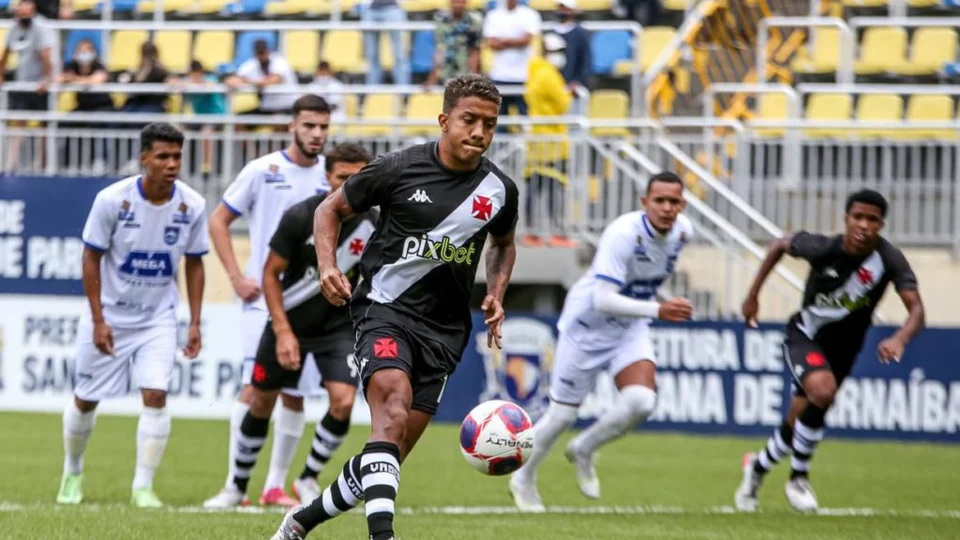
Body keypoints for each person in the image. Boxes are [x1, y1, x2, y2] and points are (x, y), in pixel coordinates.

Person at [271, 73, 519, 540]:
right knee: (393, 408)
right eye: (470, 120)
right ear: (444, 120)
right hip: (384, 310)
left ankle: (299, 523)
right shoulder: (398, 168)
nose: (480, 133)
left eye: (490, 124)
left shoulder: (501, 191)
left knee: (387, 454)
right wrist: (328, 266)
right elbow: (329, 210)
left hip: (445, 331)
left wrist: (497, 291)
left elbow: (503, 246)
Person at [508, 171, 695, 511]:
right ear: (645, 203)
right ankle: (523, 477)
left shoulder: (684, 232)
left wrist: (652, 308)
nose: (667, 208)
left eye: (675, 201)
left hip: (628, 328)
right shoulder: (623, 234)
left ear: (683, 204)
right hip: (586, 327)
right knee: (561, 416)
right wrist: (659, 308)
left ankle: (584, 447)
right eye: (660, 200)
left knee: (641, 401)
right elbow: (602, 299)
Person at [734, 189, 925, 513]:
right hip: (806, 335)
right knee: (823, 392)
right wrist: (753, 295)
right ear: (847, 219)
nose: (864, 225)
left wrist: (900, 339)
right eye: (858, 217)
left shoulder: (888, 259)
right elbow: (780, 244)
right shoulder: (823, 248)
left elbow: (917, 310)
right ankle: (798, 478)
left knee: (797, 421)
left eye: (872, 220)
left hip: (846, 348)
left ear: (881, 224)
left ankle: (757, 469)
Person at [214, 143, 377, 509]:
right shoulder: (301, 215)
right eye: (342, 178)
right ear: (326, 177)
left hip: (339, 328)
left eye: (359, 179)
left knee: (343, 401)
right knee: (259, 401)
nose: (350, 187)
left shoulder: (375, 224)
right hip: (289, 322)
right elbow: (271, 274)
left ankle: (307, 478)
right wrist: (284, 331)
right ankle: (236, 487)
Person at [56, 123, 208, 508]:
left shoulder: (192, 205)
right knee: (86, 398)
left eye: (177, 156)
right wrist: (97, 320)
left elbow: (194, 263)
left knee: (156, 393)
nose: (172, 164)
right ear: (144, 159)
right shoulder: (112, 200)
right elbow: (91, 258)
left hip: (158, 317)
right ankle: (72, 471)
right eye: (163, 156)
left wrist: (194, 321)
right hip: (109, 315)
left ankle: (143, 487)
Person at [204, 95, 331, 509]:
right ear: (291, 126)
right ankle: (233, 485)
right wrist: (237, 277)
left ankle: (275, 486)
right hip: (265, 301)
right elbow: (219, 220)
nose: (317, 134)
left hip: (312, 304)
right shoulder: (263, 170)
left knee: (296, 393)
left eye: (323, 127)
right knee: (254, 387)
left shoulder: (331, 180)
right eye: (310, 125)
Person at [523, 32, 573, 247]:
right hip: (552, 140)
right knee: (554, 188)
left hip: (537, 139)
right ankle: (556, 233)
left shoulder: (534, 72)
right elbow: (563, 104)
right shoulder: (549, 74)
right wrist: (568, 93)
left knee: (535, 187)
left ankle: (531, 233)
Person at [0, 0, 55, 170]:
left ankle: (41, 165)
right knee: (19, 122)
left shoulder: (41, 27)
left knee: (43, 125)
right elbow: (6, 52)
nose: (22, 14)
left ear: (33, 10)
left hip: (39, 85)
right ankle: (11, 163)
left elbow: (46, 55)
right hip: (23, 82)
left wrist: (46, 80)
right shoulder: (15, 27)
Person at [482, 0, 541, 127]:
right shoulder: (493, 15)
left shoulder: (530, 14)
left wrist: (503, 41)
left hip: (524, 76)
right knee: (500, 122)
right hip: (500, 76)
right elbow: (491, 43)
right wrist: (515, 41)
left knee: (526, 122)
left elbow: (526, 40)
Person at [226, 39, 299, 129]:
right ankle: (247, 144)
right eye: (259, 52)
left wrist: (248, 81)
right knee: (239, 121)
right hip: (267, 107)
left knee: (278, 120)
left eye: (263, 52)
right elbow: (232, 80)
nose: (261, 55)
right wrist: (240, 80)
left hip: (287, 106)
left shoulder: (280, 62)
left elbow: (274, 80)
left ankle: (277, 144)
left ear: (268, 51)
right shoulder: (251, 64)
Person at [181, 60, 226, 178]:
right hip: (199, 118)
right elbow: (173, 82)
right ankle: (180, 163)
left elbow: (211, 85)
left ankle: (206, 167)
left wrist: (199, 83)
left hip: (216, 116)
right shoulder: (187, 81)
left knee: (206, 132)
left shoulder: (210, 79)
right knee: (179, 130)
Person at [425, 0, 483, 87]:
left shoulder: (474, 22)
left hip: (465, 74)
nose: (458, 5)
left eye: (461, 2)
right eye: (456, 2)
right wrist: (433, 77)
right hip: (445, 73)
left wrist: (473, 77)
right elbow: (439, 49)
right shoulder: (441, 21)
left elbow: (474, 51)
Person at [360, 0, 410, 85]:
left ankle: (403, 91)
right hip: (370, 8)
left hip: (393, 7)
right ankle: (372, 92)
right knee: (372, 55)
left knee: (399, 54)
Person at [554, 0, 591, 113]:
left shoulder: (580, 33)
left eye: (566, 8)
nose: (563, 12)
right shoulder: (551, 31)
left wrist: (577, 81)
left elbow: (586, 60)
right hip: (554, 85)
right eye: (561, 8)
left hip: (573, 86)